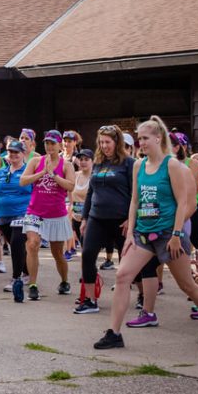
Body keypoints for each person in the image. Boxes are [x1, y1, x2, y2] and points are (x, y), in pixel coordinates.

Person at [95, 116, 198, 348]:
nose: (142, 143)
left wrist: (177, 235)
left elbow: (182, 203)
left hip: (169, 235)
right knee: (122, 276)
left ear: (159, 138)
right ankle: (114, 333)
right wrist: (130, 234)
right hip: (143, 235)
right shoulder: (139, 165)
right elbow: (135, 202)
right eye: (139, 139)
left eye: (145, 138)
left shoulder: (172, 165)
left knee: (187, 286)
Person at [76, 126, 134, 314]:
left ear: (117, 142)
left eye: (108, 142)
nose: (104, 145)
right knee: (88, 254)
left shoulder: (128, 163)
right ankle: (91, 301)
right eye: (101, 142)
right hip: (96, 218)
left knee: (129, 260)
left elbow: (135, 194)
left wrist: (130, 219)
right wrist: (85, 217)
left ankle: (142, 296)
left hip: (120, 220)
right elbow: (91, 192)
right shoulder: (99, 163)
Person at [19, 131, 76, 300]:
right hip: (34, 212)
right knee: (32, 244)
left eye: (53, 143)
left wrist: (53, 174)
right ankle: (33, 285)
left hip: (56, 214)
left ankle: (64, 281)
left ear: (59, 145)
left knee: (57, 252)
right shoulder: (36, 161)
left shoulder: (67, 165)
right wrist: (42, 173)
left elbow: (71, 186)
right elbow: (23, 181)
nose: (49, 146)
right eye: (47, 143)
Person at [0, 141, 33, 302]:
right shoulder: (1, 172)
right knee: (15, 246)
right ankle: (28, 272)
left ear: (23, 154)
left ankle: (16, 278)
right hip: (3, 215)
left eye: (17, 152)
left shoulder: (28, 171)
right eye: (11, 152)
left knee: (16, 243)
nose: (14, 155)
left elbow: (35, 192)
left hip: (22, 213)